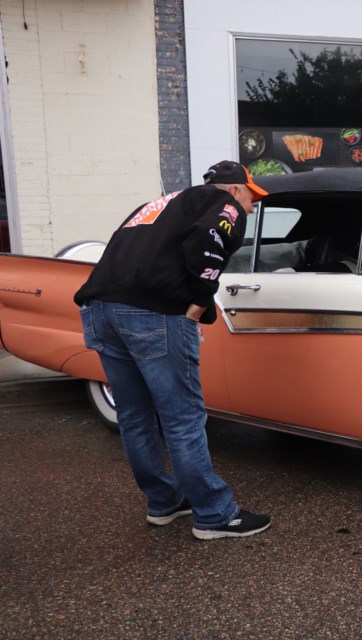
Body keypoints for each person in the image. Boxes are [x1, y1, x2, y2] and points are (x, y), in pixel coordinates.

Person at [75, 160, 273, 538]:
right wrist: (198, 306)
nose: (251, 207)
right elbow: (208, 243)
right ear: (234, 189)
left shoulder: (158, 204)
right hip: (150, 314)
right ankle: (215, 515)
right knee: (182, 417)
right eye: (252, 198)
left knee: (134, 416)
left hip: (101, 310)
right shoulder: (223, 203)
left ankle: (164, 502)